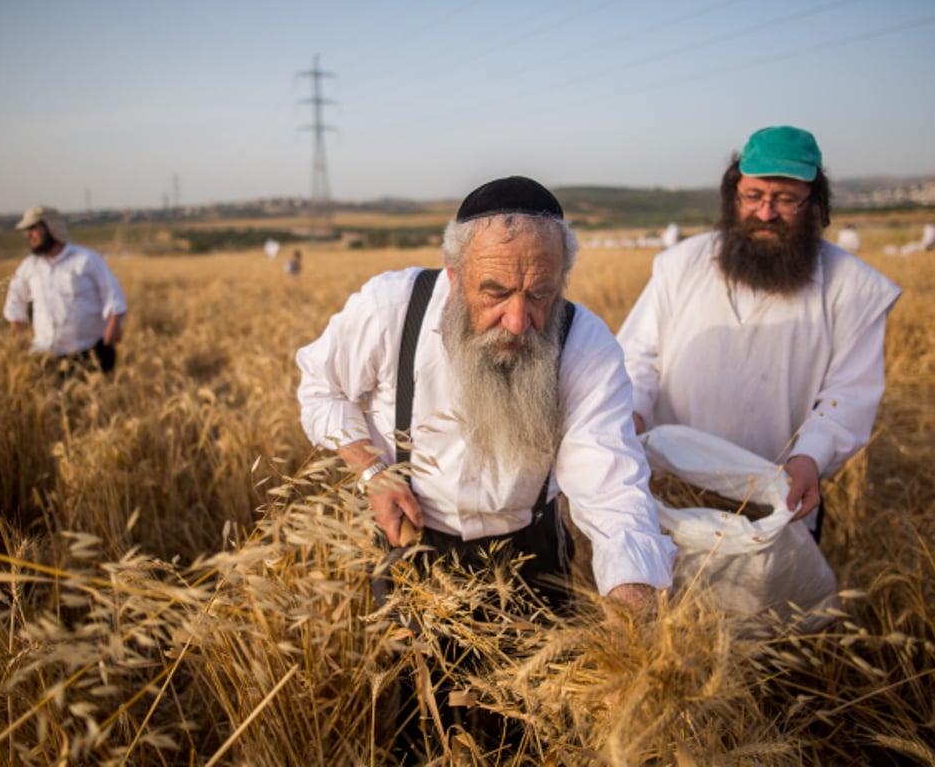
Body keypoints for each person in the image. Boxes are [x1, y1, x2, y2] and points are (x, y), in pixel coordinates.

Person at [296, 176, 675, 612]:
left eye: (540, 295)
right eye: (495, 293)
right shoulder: (391, 309)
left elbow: (611, 487)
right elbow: (321, 388)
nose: (517, 320)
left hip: (532, 558)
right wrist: (371, 472)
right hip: (411, 545)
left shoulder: (586, 343)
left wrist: (633, 594)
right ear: (454, 275)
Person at [617, 126, 901, 541]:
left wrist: (811, 457)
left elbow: (850, 394)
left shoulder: (854, 289)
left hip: (779, 494)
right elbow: (638, 358)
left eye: (786, 200)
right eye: (753, 197)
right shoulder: (680, 265)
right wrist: (634, 411)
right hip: (673, 486)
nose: (765, 213)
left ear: (814, 203)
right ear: (733, 194)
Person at [3, 205, 128, 375]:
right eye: (26, 230)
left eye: (33, 228)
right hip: (46, 356)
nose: (28, 235)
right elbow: (15, 302)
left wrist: (113, 327)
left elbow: (114, 296)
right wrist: (20, 338)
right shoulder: (29, 267)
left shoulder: (86, 259)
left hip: (90, 353)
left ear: (51, 227)